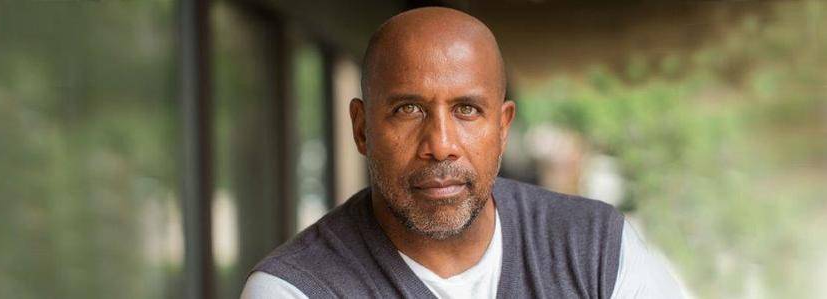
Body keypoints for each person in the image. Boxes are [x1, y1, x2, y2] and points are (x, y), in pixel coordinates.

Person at [242, 7, 683, 298]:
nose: (441, 145)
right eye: (408, 109)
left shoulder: (594, 248)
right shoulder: (296, 289)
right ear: (361, 129)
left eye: (467, 110)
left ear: (503, 128)